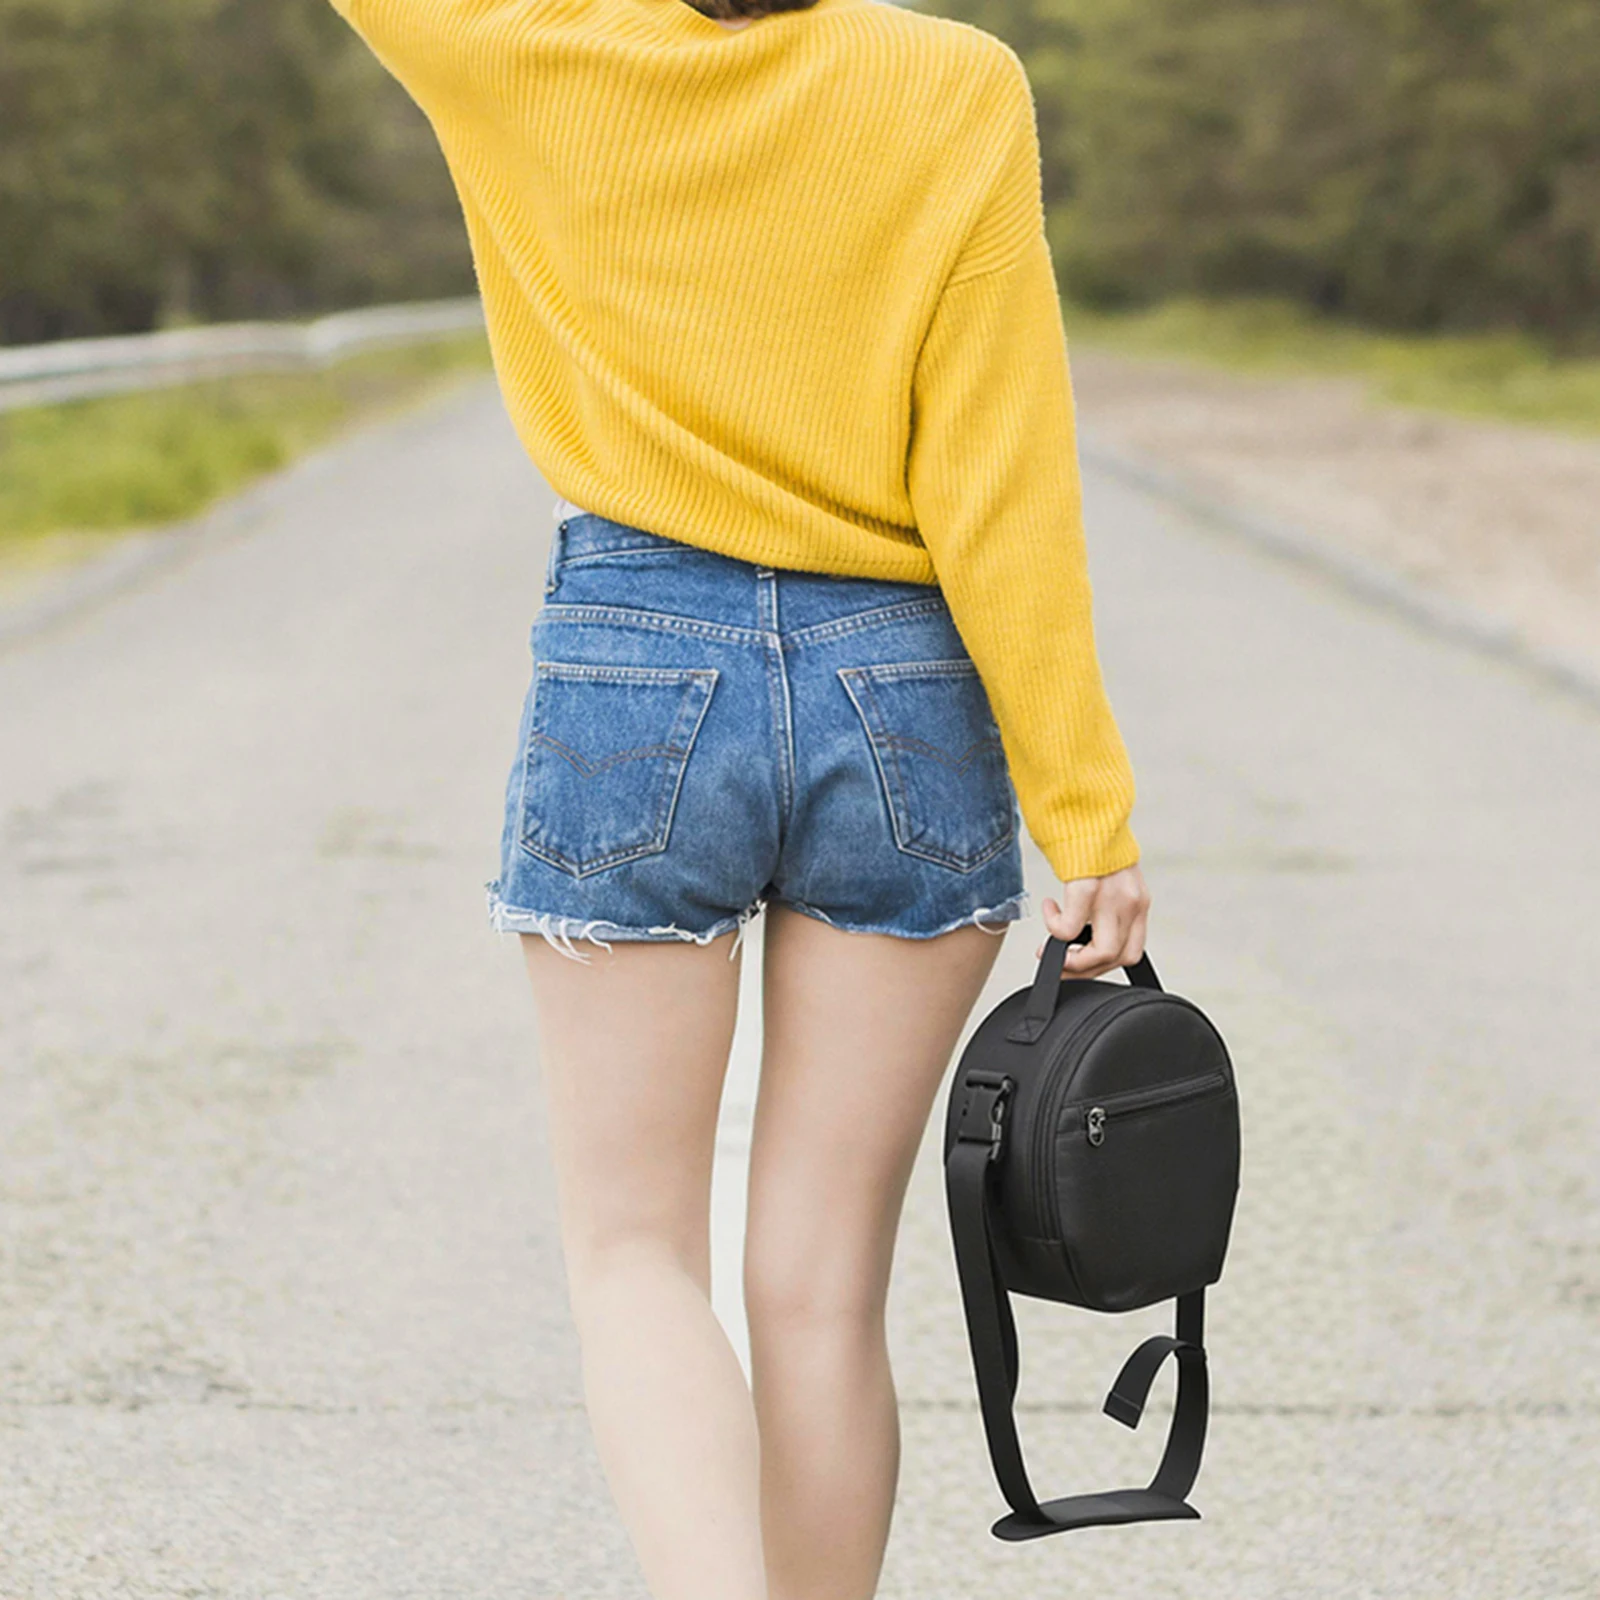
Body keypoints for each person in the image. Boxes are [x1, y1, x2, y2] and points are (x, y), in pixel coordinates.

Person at [331, 0, 1150, 1594]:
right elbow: (1001, 469)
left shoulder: (526, 49)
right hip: (904, 678)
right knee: (822, 1288)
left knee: (635, 1257)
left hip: (636, 661)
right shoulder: (953, 83)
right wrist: (1086, 811)